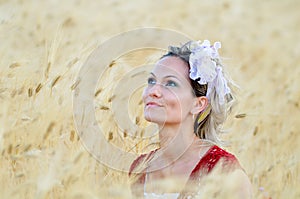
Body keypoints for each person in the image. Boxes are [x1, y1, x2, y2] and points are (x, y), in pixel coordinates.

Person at [129, 40, 252, 198]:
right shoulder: (140, 168)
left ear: (198, 104)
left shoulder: (223, 171)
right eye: (151, 81)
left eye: (171, 83)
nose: (154, 91)